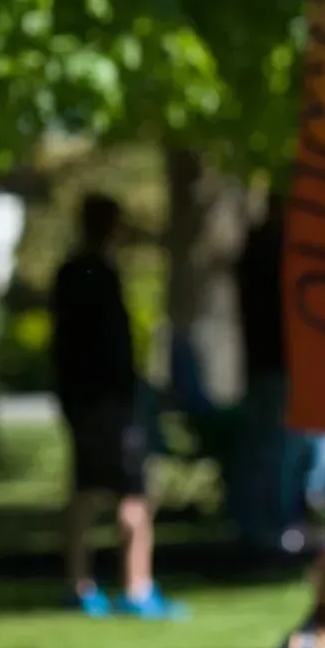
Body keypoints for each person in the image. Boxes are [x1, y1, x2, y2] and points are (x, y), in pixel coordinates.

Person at [51, 194, 184, 618]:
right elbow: (112, 348)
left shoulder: (68, 274)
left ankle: (78, 582)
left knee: (85, 490)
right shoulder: (101, 276)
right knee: (133, 495)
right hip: (111, 402)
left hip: (80, 401)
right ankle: (137, 586)